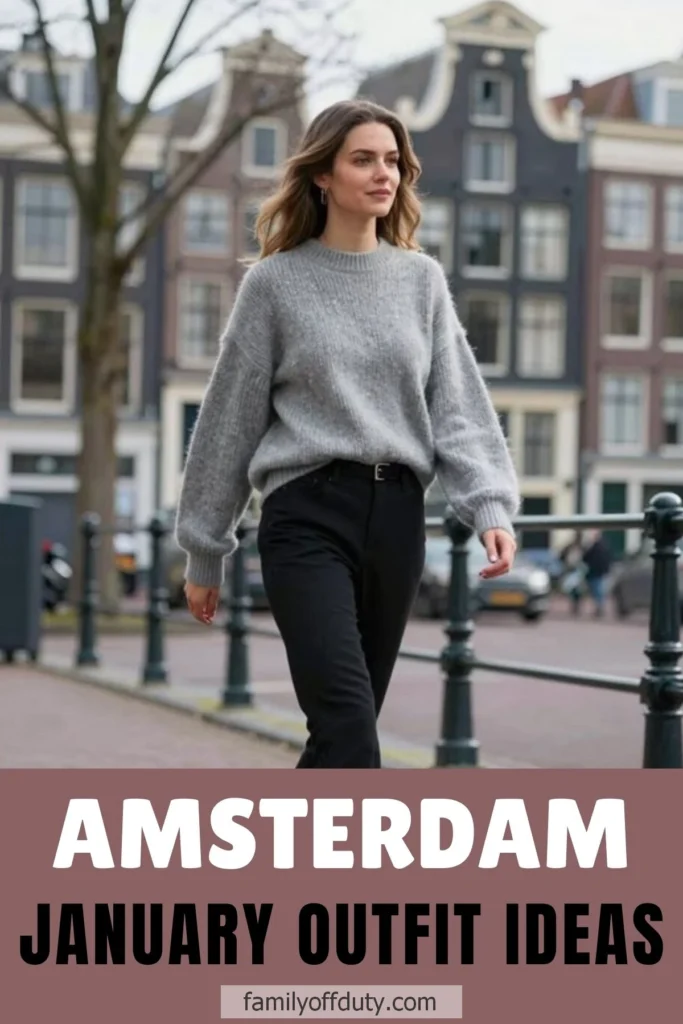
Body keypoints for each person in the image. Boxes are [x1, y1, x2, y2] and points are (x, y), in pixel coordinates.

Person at [175, 99, 520, 769]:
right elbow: (228, 420)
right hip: (305, 515)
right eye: (362, 159)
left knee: (339, 739)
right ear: (322, 176)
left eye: (392, 160)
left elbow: (456, 404)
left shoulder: (420, 280)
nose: (382, 173)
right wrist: (204, 549)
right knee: (350, 727)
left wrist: (488, 504)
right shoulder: (274, 285)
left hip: (395, 519)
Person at [581, 530, 613, 618]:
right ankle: (599, 608)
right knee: (599, 591)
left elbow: (586, 557)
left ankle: (599, 608)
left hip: (595, 573)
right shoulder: (604, 546)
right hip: (600, 572)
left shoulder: (595, 547)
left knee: (597, 591)